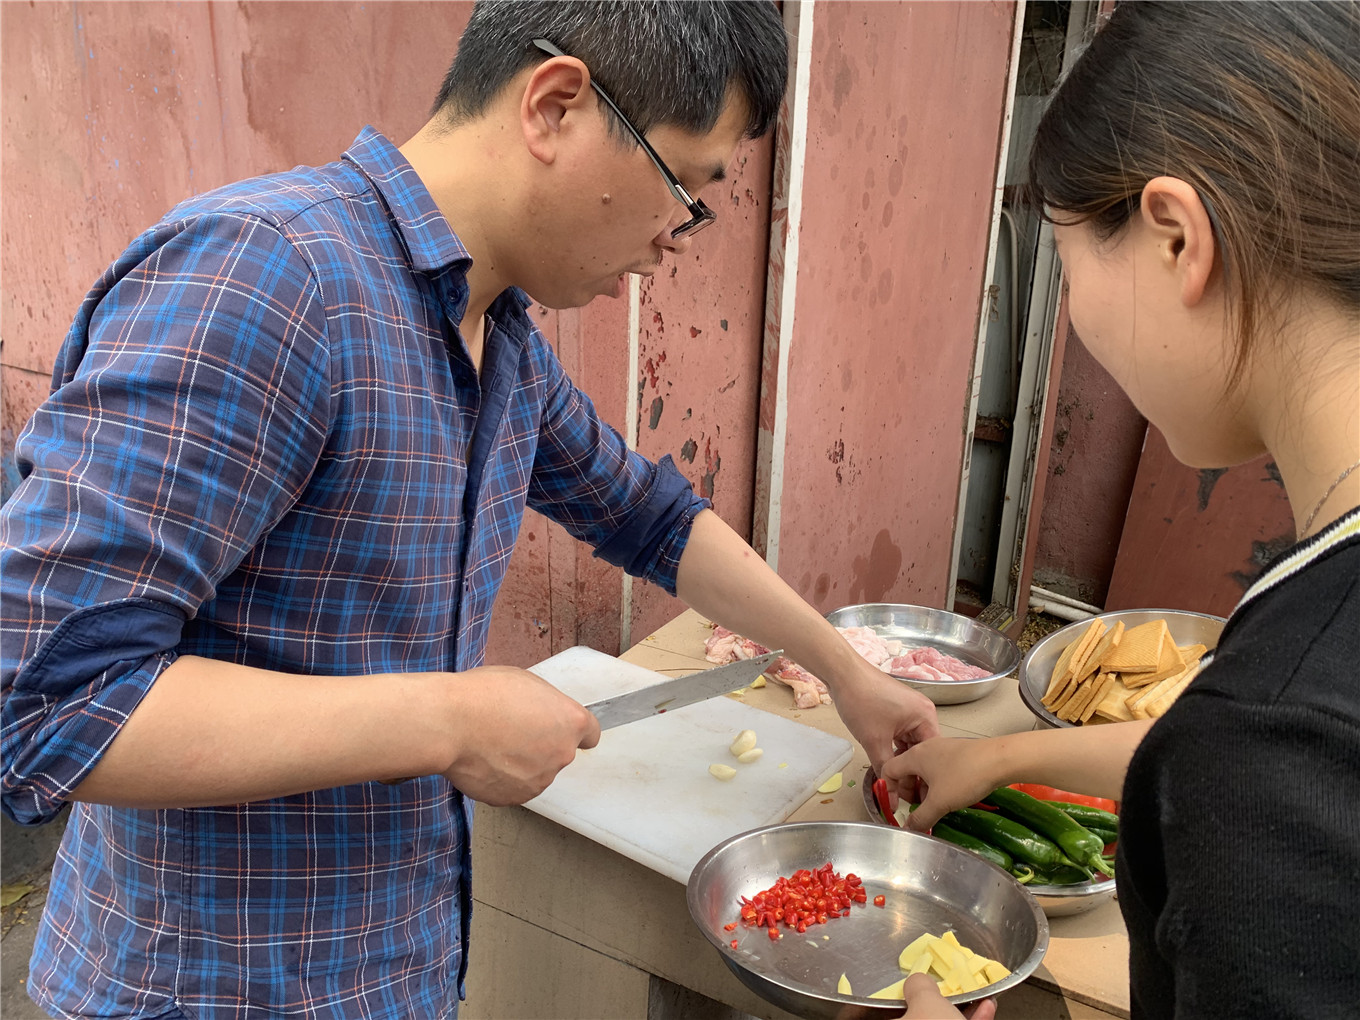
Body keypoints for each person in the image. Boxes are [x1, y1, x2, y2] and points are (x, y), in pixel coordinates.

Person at [0, 3, 941, 1017]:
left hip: (389, 966)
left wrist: (845, 670)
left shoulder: (500, 338)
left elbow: (649, 518)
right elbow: (50, 702)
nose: (676, 239)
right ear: (556, 106)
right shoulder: (268, 280)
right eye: (684, 186)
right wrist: (448, 720)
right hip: (213, 986)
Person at [882, 2, 1360, 1018]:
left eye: (1066, 266)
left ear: (1176, 238)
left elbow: (1268, 753)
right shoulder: (1293, 687)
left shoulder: (1276, 738)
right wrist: (1001, 757)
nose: (1077, 315)